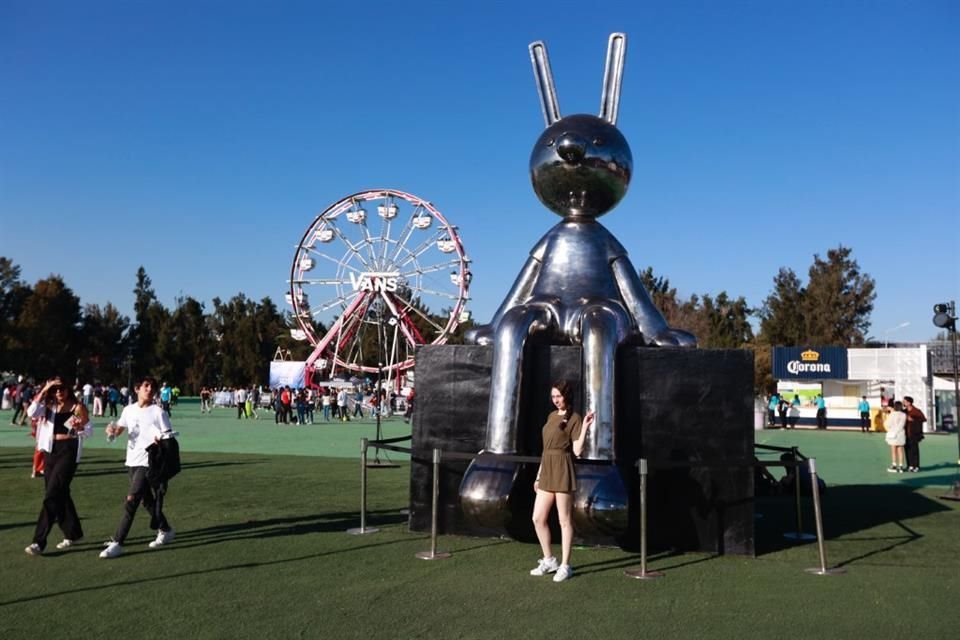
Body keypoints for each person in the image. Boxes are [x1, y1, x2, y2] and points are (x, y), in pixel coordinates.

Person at [100, 376, 176, 559]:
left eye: (152, 387)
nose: (149, 389)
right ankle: (165, 529)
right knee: (146, 500)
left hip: (148, 461)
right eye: (146, 386)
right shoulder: (128, 410)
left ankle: (118, 542)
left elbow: (169, 437)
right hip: (132, 460)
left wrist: (161, 439)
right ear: (137, 389)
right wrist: (112, 431)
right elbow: (120, 429)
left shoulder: (158, 412)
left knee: (132, 499)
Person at [530, 381, 594, 583]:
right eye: (553, 396)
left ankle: (566, 565)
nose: (555, 400)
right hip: (547, 469)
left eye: (558, 396)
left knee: (564, 520)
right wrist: (539, 475)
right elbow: (545, 449)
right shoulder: (551, 416)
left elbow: (576, 451)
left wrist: (584, 427)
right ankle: (549, 560)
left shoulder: (574, 418)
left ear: (566, 396)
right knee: (537, 518)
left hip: (563, 469)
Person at [24, 378, 92, 555]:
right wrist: (44, 388)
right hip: (49, 451)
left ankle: (38, 542)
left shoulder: (77, 407)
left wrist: (80, 427)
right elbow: (32, 411)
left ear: (68, 389)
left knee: (52, 494)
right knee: (60, 493)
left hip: (68, 450)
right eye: (55, 390)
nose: (59, 392)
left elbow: (89, 429)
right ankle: (73, 533)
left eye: (61, 389)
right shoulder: (48, 406)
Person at [903, 396, 926, 472]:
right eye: (903, 401)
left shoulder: (916, 411)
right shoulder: (904, 411)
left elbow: (923, 419)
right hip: (905, 433)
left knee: (914, 450)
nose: (904, 403)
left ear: (909, 403)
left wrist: (912, 419)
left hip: (914, 433)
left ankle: (916, 466)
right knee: (907, 449)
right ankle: (910, 465)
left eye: (905, 401)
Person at [883, 401, 906, 473]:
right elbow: (903, 424)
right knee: (900, 450)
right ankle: (901, 466)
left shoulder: (892, 414)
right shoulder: (904, 415)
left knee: (893, 451)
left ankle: (894, 466)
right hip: (901, 433)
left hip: (893, 433)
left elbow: (887, 424)